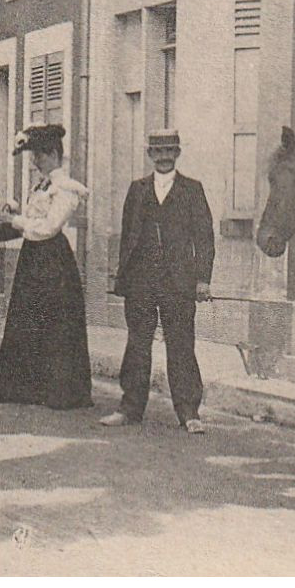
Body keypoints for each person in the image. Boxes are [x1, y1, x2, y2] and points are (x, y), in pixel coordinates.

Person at [101, 129, 215, 434]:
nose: (164, 157)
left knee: (181, 345)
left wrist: (203, 279)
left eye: (170, 151)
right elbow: (128, 237)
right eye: (158, 151)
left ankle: (189, 413)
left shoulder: (193, 189)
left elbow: (204, 238)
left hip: (179, 282)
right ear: (149, 154)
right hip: (141, 280)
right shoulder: (137, 190)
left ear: (177, 153)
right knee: (137, 344)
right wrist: (122, 276)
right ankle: (129, 409)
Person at [0, 123, 94, 411]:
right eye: (35, 157)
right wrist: (13, 214)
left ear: (53, 155)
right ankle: (27, 387)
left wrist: (16, 222)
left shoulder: (67, 189)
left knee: (54, 320)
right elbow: (32, 221)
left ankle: (58, 389)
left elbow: (48, 227)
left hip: (53, 259)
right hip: (33, 257)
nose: (35, 162)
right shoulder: (41, 186)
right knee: (30, 317)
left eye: (40, 156)